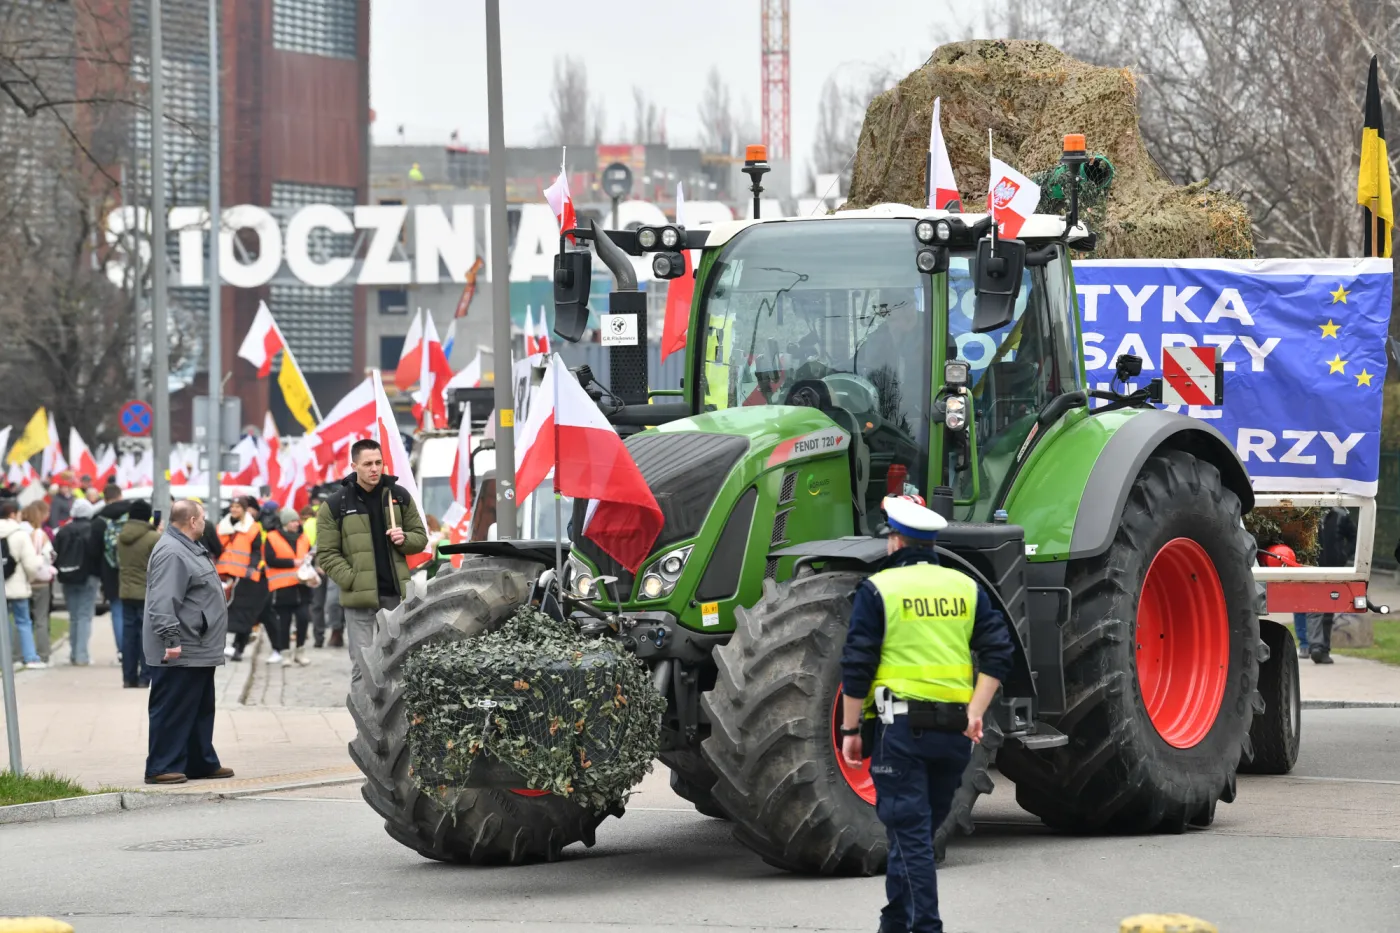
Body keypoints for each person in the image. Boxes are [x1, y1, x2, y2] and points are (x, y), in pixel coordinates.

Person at [838, 495, 1014, 933]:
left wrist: (850, 728)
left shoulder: (879, 589)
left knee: (911, 836)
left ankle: (925, 928)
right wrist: (976, 712)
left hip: (900, 733)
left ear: (895, 541)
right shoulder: (965, 588)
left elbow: (857, 665)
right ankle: (894, 923)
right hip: (954, 734)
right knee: (912, 834)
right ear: (932, 543)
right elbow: (999, 652)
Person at [316, 439, 427, 686]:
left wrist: (404, 538)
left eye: (378, 462)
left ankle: (395, 723)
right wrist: (352, 580)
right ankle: (364, 724)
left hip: (394, 596)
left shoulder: (399, 496)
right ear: (354, 465)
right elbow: (326, 553)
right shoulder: (336, 504)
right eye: (368, 464)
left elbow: (420, 538)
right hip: (358, 599)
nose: (374, 468)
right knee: (363, 666)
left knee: (397, 664)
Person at [142, 499, 233, 785]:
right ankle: (161, 766)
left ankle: (199, 761)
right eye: (203, 518)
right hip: (182, 647)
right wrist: (171, 639)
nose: (205, 522)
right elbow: (162, 601)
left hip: (198, 645)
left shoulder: (186, 547)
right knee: (173, 708)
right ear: (192, 521)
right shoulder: (172, 552)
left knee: (199, 708)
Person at [54, 498, 103, 665]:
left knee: (73, 616)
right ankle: (82, 655)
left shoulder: (63, 531)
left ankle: (74, 653)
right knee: (84, 616)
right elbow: (97, 555)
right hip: (88, 576)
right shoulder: (92, 530)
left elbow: (56, 553)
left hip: (68, 576)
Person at [117, 499, 161, 688]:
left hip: (126, 591)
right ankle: (145, 677)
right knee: (147, 636)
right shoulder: (153, 537)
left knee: (128, 636)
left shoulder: (122, 535)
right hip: (146, 592)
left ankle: (128, 677)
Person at [264, 508, 315, 666]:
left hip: (302, 586)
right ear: (285, 522)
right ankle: (285, 653)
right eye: (293, 521)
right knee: (284, 622)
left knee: (303, 619)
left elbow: (309, 557)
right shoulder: (272, 537)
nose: (296, 523)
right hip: (283, 587)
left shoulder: (303, 538)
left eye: (296, 520)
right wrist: (292, 563)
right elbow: (270, 560)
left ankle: (300, 651)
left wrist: (311, 564)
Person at [1309, 506, 1358, 665]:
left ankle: (1324, 649)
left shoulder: (1340, 516)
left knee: (1329, 609)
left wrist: (1343, 554)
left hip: (1333, 568)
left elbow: (1354, 537)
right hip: (1312, 568)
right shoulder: (1307, 513)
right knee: (1313, 608)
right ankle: (1316, 646)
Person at [219, 496, 266, 662]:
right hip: (223, 573)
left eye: (238, 507)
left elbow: (256, 551)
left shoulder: (252, 528)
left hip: (244, 576)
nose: (234, 509)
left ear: (244, 509)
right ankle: (221, 645)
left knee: (243, 612)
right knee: (222, 610)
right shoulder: (222, 526)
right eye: (232, 506)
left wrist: (251, 566)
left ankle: (239, 647)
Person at [1, 498, 44, 669]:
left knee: (3, 624)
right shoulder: (20, 534)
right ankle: (30, 657)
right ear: (13, 514)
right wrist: (30, 578)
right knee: (24, 622)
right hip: (17, 585)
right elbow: (30, 564)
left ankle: (6, 658)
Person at [96, 485, 132, 661]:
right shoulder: (132, 516)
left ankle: (121, 651)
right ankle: (134, 649)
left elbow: (96, 548)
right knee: (134, 613)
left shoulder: (101, 518)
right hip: (132, 571)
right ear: (121, 495)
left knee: (117, 611)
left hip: (110, 571)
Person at [21, 501, 55, 665]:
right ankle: (43, 654)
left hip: (23, 580)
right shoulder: (40, 534)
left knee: (22, 619)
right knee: (41, 619)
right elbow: (50, 555)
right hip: (40, 580)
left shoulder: (19, 533)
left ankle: (18, 654)